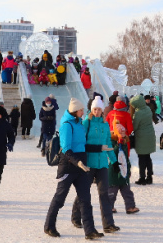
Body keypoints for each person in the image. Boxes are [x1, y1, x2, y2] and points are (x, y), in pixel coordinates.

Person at [44, 97, 103, 240]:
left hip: (81, 167)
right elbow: (66, 149)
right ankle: (49, 226)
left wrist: (100, 148)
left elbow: (82, 145)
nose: (84, 112)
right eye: (81, 110)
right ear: (75, 111)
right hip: (68, 167)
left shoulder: (79, 124)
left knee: (85, 199)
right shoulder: (66, 125)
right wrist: (78, 162)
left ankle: (90, 230)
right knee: (59, 198)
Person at [73, 98, 118, 234]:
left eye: (99, 109)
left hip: (102, 163)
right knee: (84, 191)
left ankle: (108, 224)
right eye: (95, 109)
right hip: (89, 163)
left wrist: (114, 161)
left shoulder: (105, 124)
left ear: (102, 110)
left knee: (104, 193)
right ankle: (76, 216)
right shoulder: (86, 123)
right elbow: (82, 143)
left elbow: (108, 144)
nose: (97, 111)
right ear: (91, 110)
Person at [108, 123, 139, 214]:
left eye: (124, 133)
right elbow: (113, 154)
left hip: (123, 171)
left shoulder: (124, 142)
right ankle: (109, 206)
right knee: (112, 192)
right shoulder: (111, 142)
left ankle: (130, 206)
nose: (123, 134)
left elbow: (125, 157)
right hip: (113, 171)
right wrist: (118, 145)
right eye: (120, 133)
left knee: (127, 192)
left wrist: (128, 169)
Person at [129, 94, 156, 185]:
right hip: (150, 135)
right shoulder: (147, 109)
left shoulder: (138, 113)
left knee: (141, 158)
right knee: (147, 157)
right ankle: (149, 176)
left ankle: (142, 177)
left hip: (142, 137)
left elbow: (135, 127)